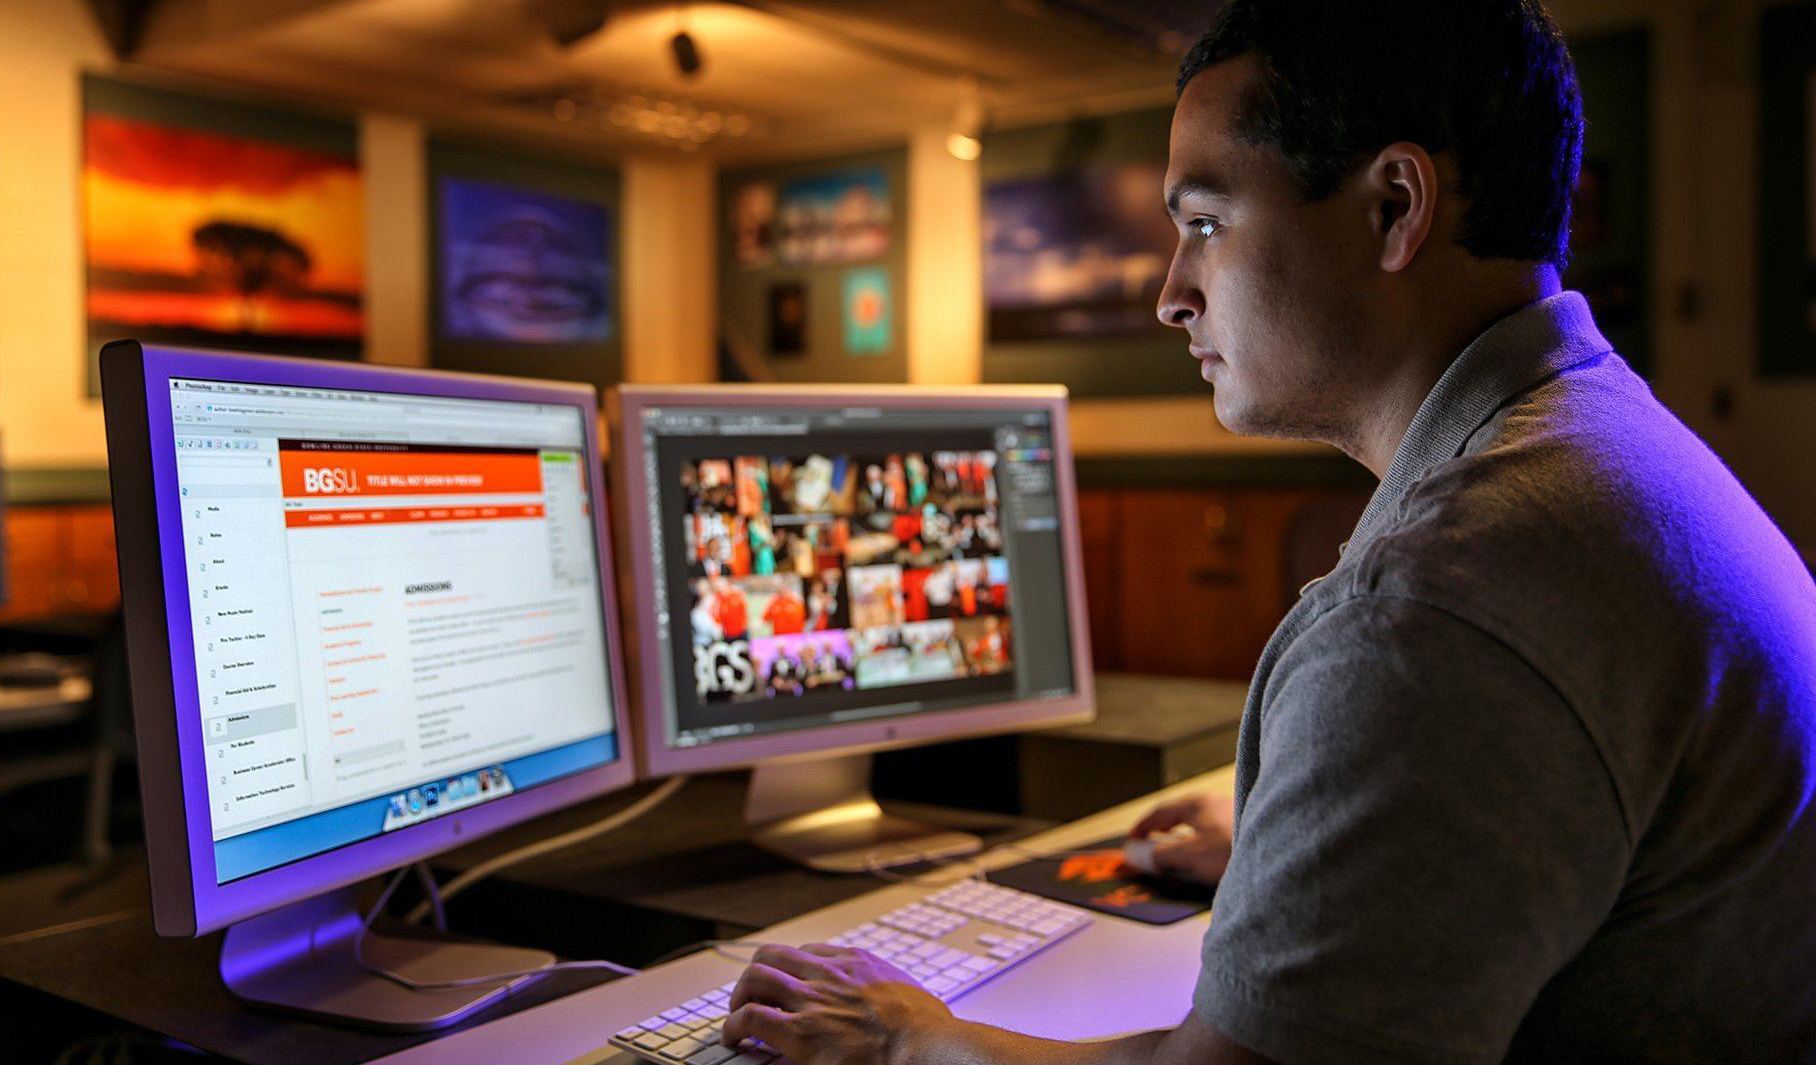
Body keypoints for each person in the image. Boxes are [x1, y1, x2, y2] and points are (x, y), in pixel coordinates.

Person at [718, 2, 1816, 1063]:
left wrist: (910, 1038)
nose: (1170, 295)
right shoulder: (1609, 452)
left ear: (1394, 208)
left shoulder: (1443, 602)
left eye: (1202, 223)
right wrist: (1313, 857)